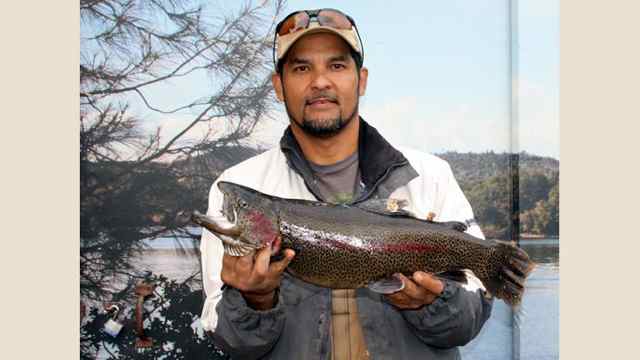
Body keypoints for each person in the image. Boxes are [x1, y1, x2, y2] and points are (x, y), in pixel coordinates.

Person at [199, 8, 493, 359]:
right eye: (301, 67)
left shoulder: (430, 176)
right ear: (278, 86)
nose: (320, 81)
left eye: (336, 66)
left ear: (362, 80)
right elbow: (230, 341)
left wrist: (433, 303)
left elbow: (469, 321)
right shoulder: (235, 186)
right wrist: (254, 299)